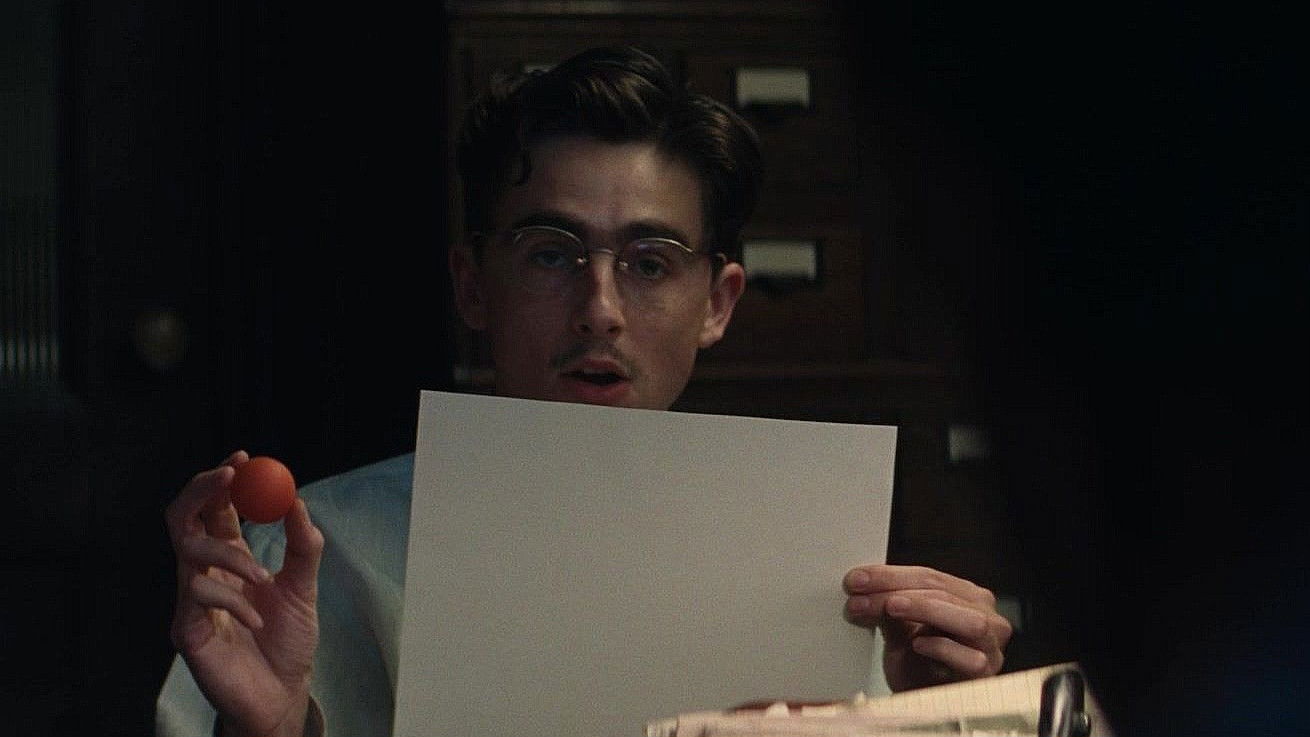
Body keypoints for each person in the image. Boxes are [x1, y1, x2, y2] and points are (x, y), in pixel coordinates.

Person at [156, 47, 1011, 737]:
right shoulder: (306, 554)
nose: (600, 308)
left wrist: (942, 718)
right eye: (550, 252)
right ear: (472, 284)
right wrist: (269, 730)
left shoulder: (818, 575)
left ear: (717, 304)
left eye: (650, 263)